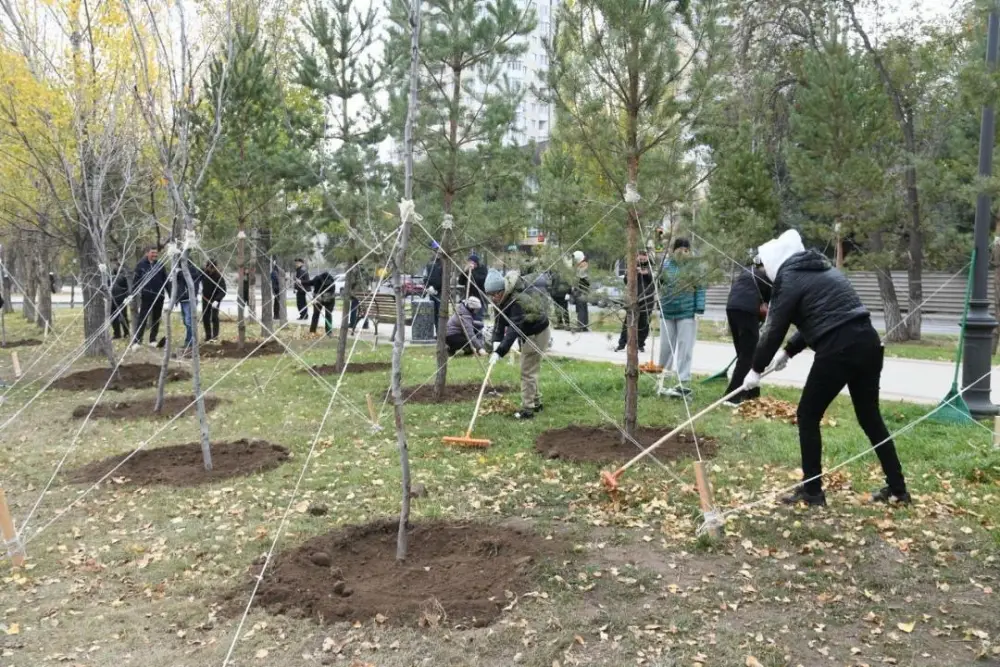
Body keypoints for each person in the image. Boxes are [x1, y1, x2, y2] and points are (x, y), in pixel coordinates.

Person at [742, 229, 909, 507]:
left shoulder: (789, 278)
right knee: (870, 418)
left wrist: (755, 370)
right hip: (867, 343)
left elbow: (773, 329)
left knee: (807, 415)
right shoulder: (822, 270)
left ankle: (812, 491)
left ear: (775, 263)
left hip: (838, 349)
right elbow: (822, 317)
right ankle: (898, 489)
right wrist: (788, 351)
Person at [485, 269, 551, 420]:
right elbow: (500, 322)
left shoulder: (516, 300)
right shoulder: (503, 299)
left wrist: (500, 351)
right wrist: (496, 341)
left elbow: (513, 329)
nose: (494, 298)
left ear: (503, 290)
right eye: (491, 295)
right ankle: (536, 402)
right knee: (530, 368)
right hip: (528, 333)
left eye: (496, 294)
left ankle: (528, 410)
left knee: (527, 371)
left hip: (537, 333)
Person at [657, 238, 705, 398]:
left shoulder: (693, 267)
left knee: (685, 347)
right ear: (674, 250)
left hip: (687, 312)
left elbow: (700, 287)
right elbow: (659, 285)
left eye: (686, 249)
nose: (683, 252)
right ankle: (663, 376)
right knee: (666, 346)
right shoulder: (666, 265)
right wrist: (659, 303)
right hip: (667, 312)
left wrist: (699, 308)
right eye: (680, 249)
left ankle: (683, 379)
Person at [723, 260, 772, 406]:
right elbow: (770, 301)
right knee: (749, 354)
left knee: (743, 352)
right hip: (747, 311)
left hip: (731, 308)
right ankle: (732, 396)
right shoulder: (768, 277)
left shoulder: (747, 272)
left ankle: (752, 393)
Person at [615, 250, 656, 353]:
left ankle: (640, 344)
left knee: (644, 322)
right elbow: (626, 281)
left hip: (647, 299)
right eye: (640, 256)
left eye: (644, 256)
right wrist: (630, 274)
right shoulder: (632, 265)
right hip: (634, 299)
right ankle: (622, 344)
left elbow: (656, 281)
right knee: (628, 321)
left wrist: (646, 273)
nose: (642, 258)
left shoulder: (652, 266)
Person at [131, 246, 167, 349]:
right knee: (143, 318)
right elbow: (136, 282)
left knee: (156, 318)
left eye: (156, 253)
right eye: (153, 253)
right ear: (147, 253)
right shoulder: (140, 265)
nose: (155, 255)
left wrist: (172, 294)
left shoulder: (160, 265)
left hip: (159, 296)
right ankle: (137, 341)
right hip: (147, 296)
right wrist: (132, 294)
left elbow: (166, 280)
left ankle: (153, 340)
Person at [167, 260, 202, 353]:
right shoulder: (179, 271)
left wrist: (179, 273)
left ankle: (191, 342)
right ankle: (189, 340)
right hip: (183, 299)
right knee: (186, 321)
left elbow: (191, 278)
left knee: (189, 320)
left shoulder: (192, 270)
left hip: (190, 299)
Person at [458, 253, 488, 322]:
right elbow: (460, 282)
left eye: (472, 262)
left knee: (477, 320)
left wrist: (472, 272)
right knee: (467, 319)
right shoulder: (467, 271)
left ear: (476, 263)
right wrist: (464, 272)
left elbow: (480, 281)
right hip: (468, 298)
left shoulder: (482, 269)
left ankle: (478, 332)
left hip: (479, 298)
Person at [201, 261, 226, 341]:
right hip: (205, 298)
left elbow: (223, 290)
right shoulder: (204, 274)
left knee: (214, 317)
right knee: (205, 317)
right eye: (209, 268)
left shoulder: (219, 277)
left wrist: (217, 300)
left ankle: (215, 336)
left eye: (212, 268)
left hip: (215, 300)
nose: (211, 270)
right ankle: (208, 336)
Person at [307, 270, 337, 336]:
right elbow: (310, 282)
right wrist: (301, 282)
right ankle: (312, 330)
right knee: (316, 314)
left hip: (329, 300)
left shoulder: (331, 282)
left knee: (328, 314)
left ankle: (329, 332)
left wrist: (318, 299)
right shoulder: (317, 279)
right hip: (318, 298)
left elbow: (331, 295)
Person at [423, 249, 443, 333]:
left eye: (439, 253)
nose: (437, 254)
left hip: (441, 292)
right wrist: (428, 287)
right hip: (432, 292)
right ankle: (438, 332)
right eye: (436, 252)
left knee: (441, 313)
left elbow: (444, 279)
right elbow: (425, 277)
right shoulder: (429, 265)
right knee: (434, 313)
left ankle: (441, 332)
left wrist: (438, 289)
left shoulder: (443, 265)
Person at [110, 265, 131, 340]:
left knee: (119, 317)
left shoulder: (120, 278)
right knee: (119, 317)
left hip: (117, 300)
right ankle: (122, 333)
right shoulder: (112, 278)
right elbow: (128, 289)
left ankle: (121, 333)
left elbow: (127, 289)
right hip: (116, 300)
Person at [571, 250, 590, 331]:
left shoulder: (583, 266)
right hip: (583, 289)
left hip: (581, 290)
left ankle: (580, 326)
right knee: (584, 307)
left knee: (581, 308)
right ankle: (584, 326)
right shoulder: (583, 265)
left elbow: (579, 278)